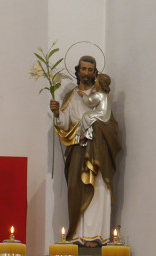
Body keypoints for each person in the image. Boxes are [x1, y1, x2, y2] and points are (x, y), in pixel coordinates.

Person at [49, 57, 122, 245]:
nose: (87, 73)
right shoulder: (71, 96)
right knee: (76, 189)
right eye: (84, 69)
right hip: (77, 149)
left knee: (97, 190)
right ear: (78, 71)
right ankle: (76, 234)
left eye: (91, 70)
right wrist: (57, 113)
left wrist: (96, 131)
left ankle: (96, 235)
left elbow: (110, 123)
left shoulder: (99, 94)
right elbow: (64, 123)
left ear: (95, 73)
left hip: (97, 150)